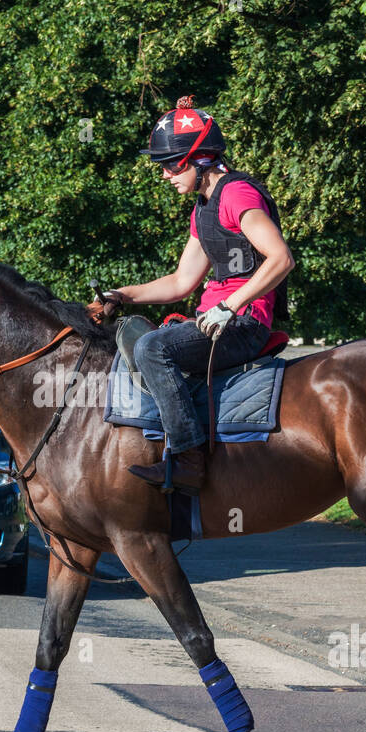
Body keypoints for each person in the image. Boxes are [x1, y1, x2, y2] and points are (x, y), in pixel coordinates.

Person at [87, 95, 294, 493]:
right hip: (217, 319)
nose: (165, 174)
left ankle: (188, 459)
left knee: (152, 349)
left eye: (170, 165)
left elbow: (281, 258)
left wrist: (228, 307)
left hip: (243, 324)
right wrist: (122, 295)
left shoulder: (237, 195)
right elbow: (182, 282)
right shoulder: (203, 208)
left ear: (200, 159)